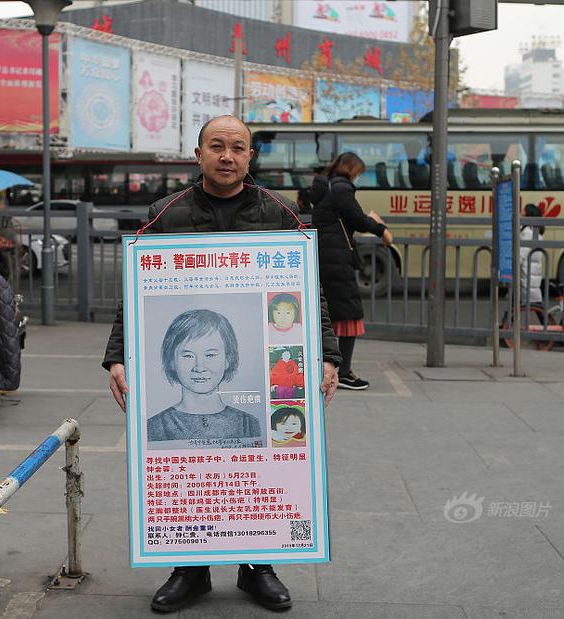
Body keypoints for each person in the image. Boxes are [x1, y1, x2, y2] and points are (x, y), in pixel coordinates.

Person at [103, 115, 341, 613]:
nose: (227, 156)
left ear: (250, 157)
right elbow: (134, 297)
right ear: (199, 154)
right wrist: (118, 357)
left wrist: (327, 355)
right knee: (189, 470)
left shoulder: (280, 213)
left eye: (238, 147)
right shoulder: (165, 213)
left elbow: (309, 292)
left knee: (257, 464)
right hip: (179, 390)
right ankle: (190, 571)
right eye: (217, 146)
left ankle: (260, 567)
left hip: (269, 375)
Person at [308, 152, 393, 390]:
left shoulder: (327, 187)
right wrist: (381, 228)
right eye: (359, 173)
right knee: (348, 314)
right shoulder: (341, 188)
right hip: (336, 260)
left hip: (326, 256)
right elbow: (357, 219)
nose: (358, 177)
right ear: (352, 169)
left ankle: (333, 368)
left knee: (330, 314)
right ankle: (343, 372)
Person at [148, 308, 260, 442]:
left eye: (210, 355)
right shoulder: (154, 426)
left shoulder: (249, 424)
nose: (199, 367)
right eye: (188, 356)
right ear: (171, 361)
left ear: (227, 360)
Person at [519, 203, 545, 307]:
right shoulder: (535, 232)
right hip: (531, 274)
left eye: (523, 211)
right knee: (535, 303)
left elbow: (521, 255)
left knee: (535, 304)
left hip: (525, 274)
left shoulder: (527, 233)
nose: (520, 213)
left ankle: (547, 322)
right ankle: (507, 321)